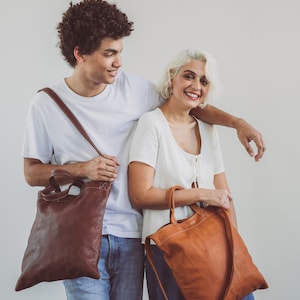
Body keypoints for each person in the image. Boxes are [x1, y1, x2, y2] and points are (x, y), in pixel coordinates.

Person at [21, 1, 265, 299]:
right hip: (79, 237)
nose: (118, 62)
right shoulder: (45, 104)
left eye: (120, 52)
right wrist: (81, 169)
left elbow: (188, 104)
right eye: (109, 54)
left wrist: (238, 123)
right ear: (79, 54)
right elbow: (32, 172)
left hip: (131, 236)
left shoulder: (136, 90)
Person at [128, 49, 256, 300]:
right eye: (189, 76)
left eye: (204, 81)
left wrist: (233, 246)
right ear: (172, 78)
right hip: (169, 249)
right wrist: (201, 193)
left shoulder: (208, 129)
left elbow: (225, 196)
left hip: (215, 246)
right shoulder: (151, 124)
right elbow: (139, 194)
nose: (196, 85)